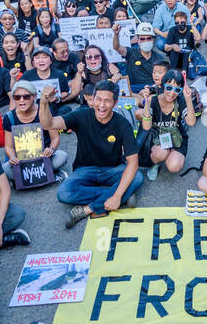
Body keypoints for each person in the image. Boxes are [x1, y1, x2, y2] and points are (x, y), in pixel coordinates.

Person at [43, 80, 144, 228]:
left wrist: (116, 196)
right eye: (98, 99)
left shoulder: (122, 124)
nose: (101, 105)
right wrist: (44, 103)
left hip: (112, 168)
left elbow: (133, 162)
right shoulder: (82, 115)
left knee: (138, 176)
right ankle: (122, 193)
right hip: (85, 169)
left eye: (107, 101)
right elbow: (49, 124)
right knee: (63, 193)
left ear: (115, 103)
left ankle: (87, 209)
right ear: (93, 99)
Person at [136, 70, 195, 181]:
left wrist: (188, 100)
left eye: (177, 89)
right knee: (162, 152)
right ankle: (155, 164)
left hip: (176, 136)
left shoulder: (181, 101)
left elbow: (191, 122)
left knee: (174, 166)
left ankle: (169, 154)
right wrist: (147, 104)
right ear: (163, 85)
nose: (172, 93)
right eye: (168, 87)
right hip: (157, 137)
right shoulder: (154, 100)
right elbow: (146, 127)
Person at [3, 80, 69, 179]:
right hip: (22, 160)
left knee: (62, 156)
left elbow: (55, 138)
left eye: (26, 97)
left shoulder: (44, 111)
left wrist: (51, 149)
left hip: (44, 156)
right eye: (17, 97)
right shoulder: (9, 117)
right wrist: (13, 157)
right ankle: (48, 173)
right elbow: (8, 146)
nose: (22, 100)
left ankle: (29, 176)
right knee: (5, 169)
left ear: (33, 97)